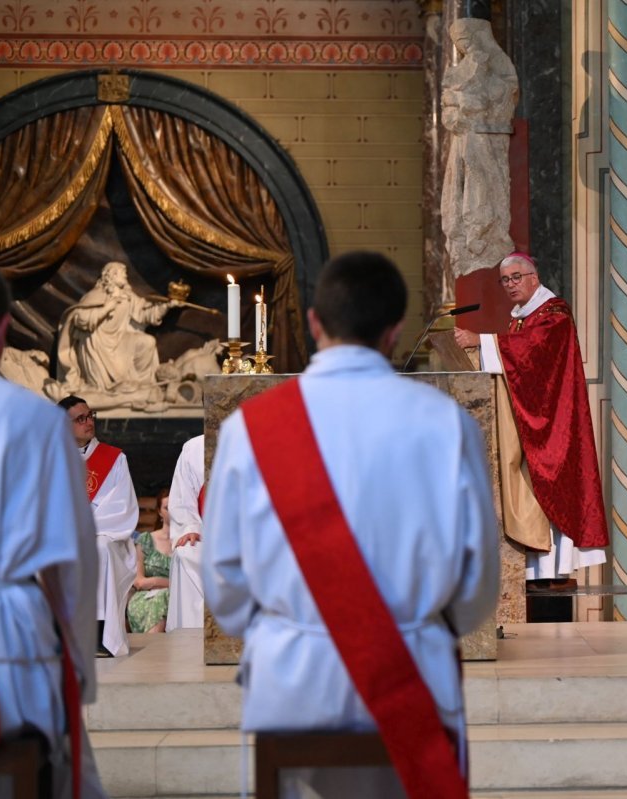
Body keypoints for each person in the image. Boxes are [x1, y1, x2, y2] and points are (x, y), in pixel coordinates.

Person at [204, 251, 500, 799]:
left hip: (292, 689)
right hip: (411, 677)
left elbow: (224, 582)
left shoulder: (251, 428)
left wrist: (288, 632)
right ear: (394, 331)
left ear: (315, 323)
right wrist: (419, 630)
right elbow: (479, 580)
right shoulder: (446, 424)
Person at [0, 251, 106, 797]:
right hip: (3, 661)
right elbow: (74, 567)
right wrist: (78, 671)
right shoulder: (35, 419)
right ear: (1, 330)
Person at [454, 251, 609, 580]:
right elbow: (518, 359)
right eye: (505, 280)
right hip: (530, 419)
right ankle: (537, 571)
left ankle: (555, 569)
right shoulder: (520, 317)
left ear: (533, 278)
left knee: (551, 486)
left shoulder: (555, 313)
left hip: (555, 425)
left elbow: (530, 351)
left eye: (515, 277)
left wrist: (481, 341)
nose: (510, 285)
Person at [58, 394, 140, 657]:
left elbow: (121, 507)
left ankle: (99, 634)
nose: (88, 422)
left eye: (90, 415)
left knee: (100, 547)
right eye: (80, 419)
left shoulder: (114, 458)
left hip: (108, 535)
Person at [440, 17, 519, 277]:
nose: (464, 47)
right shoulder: (459, 68)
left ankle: (482, 232)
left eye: (467, 40)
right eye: (459, 44)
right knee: (457, 190)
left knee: (482, 185)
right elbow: (447, 109)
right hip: (463, 139)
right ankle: (466, 236)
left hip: (485, 138)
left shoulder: (496, 63)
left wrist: (460, 99)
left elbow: (495, 98)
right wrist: (456, 108)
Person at [55, 260, 173, 393]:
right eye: (123, 274)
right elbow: (81, 320)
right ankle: (106, 386)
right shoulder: (96, 295)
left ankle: (142, 386)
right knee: (92, 339)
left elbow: (146, 314)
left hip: (121, 340)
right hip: (98, 344)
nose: (126, 277)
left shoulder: (128, 297)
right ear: (112, 275)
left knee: (147, 342)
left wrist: (167, 306)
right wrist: (106, 308)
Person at [166, 434, 205, 630]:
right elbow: (182, 500)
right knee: (185, 552)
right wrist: (191, 528)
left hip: (254, 536)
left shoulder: (260, 436)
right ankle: (191, 635)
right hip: (209, 535)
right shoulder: (194, 447)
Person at [127, 490, 172, 634]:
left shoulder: (187, 544)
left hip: (175, 597)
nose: (172, 512)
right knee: (163, 598)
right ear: (159, 511)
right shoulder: (146, 540)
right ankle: (154, 647)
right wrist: (170, 583)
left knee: (166, 597)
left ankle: (154, 651)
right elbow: (139, 582)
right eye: (167, 508)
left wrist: (154, 581)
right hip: (145, 598)